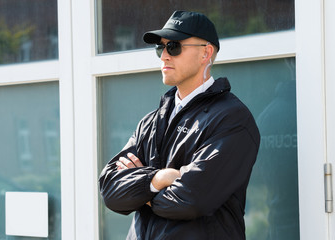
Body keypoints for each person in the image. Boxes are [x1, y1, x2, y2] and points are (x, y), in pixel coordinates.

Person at [99, 10, 260, 240]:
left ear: (206, 53)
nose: (164, 55)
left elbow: (190, 200)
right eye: (160, 48)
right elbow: (110, 191)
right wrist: (159, 180)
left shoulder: (232, 119)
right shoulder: (150, 122)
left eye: (173, 46)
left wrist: (139, 189)